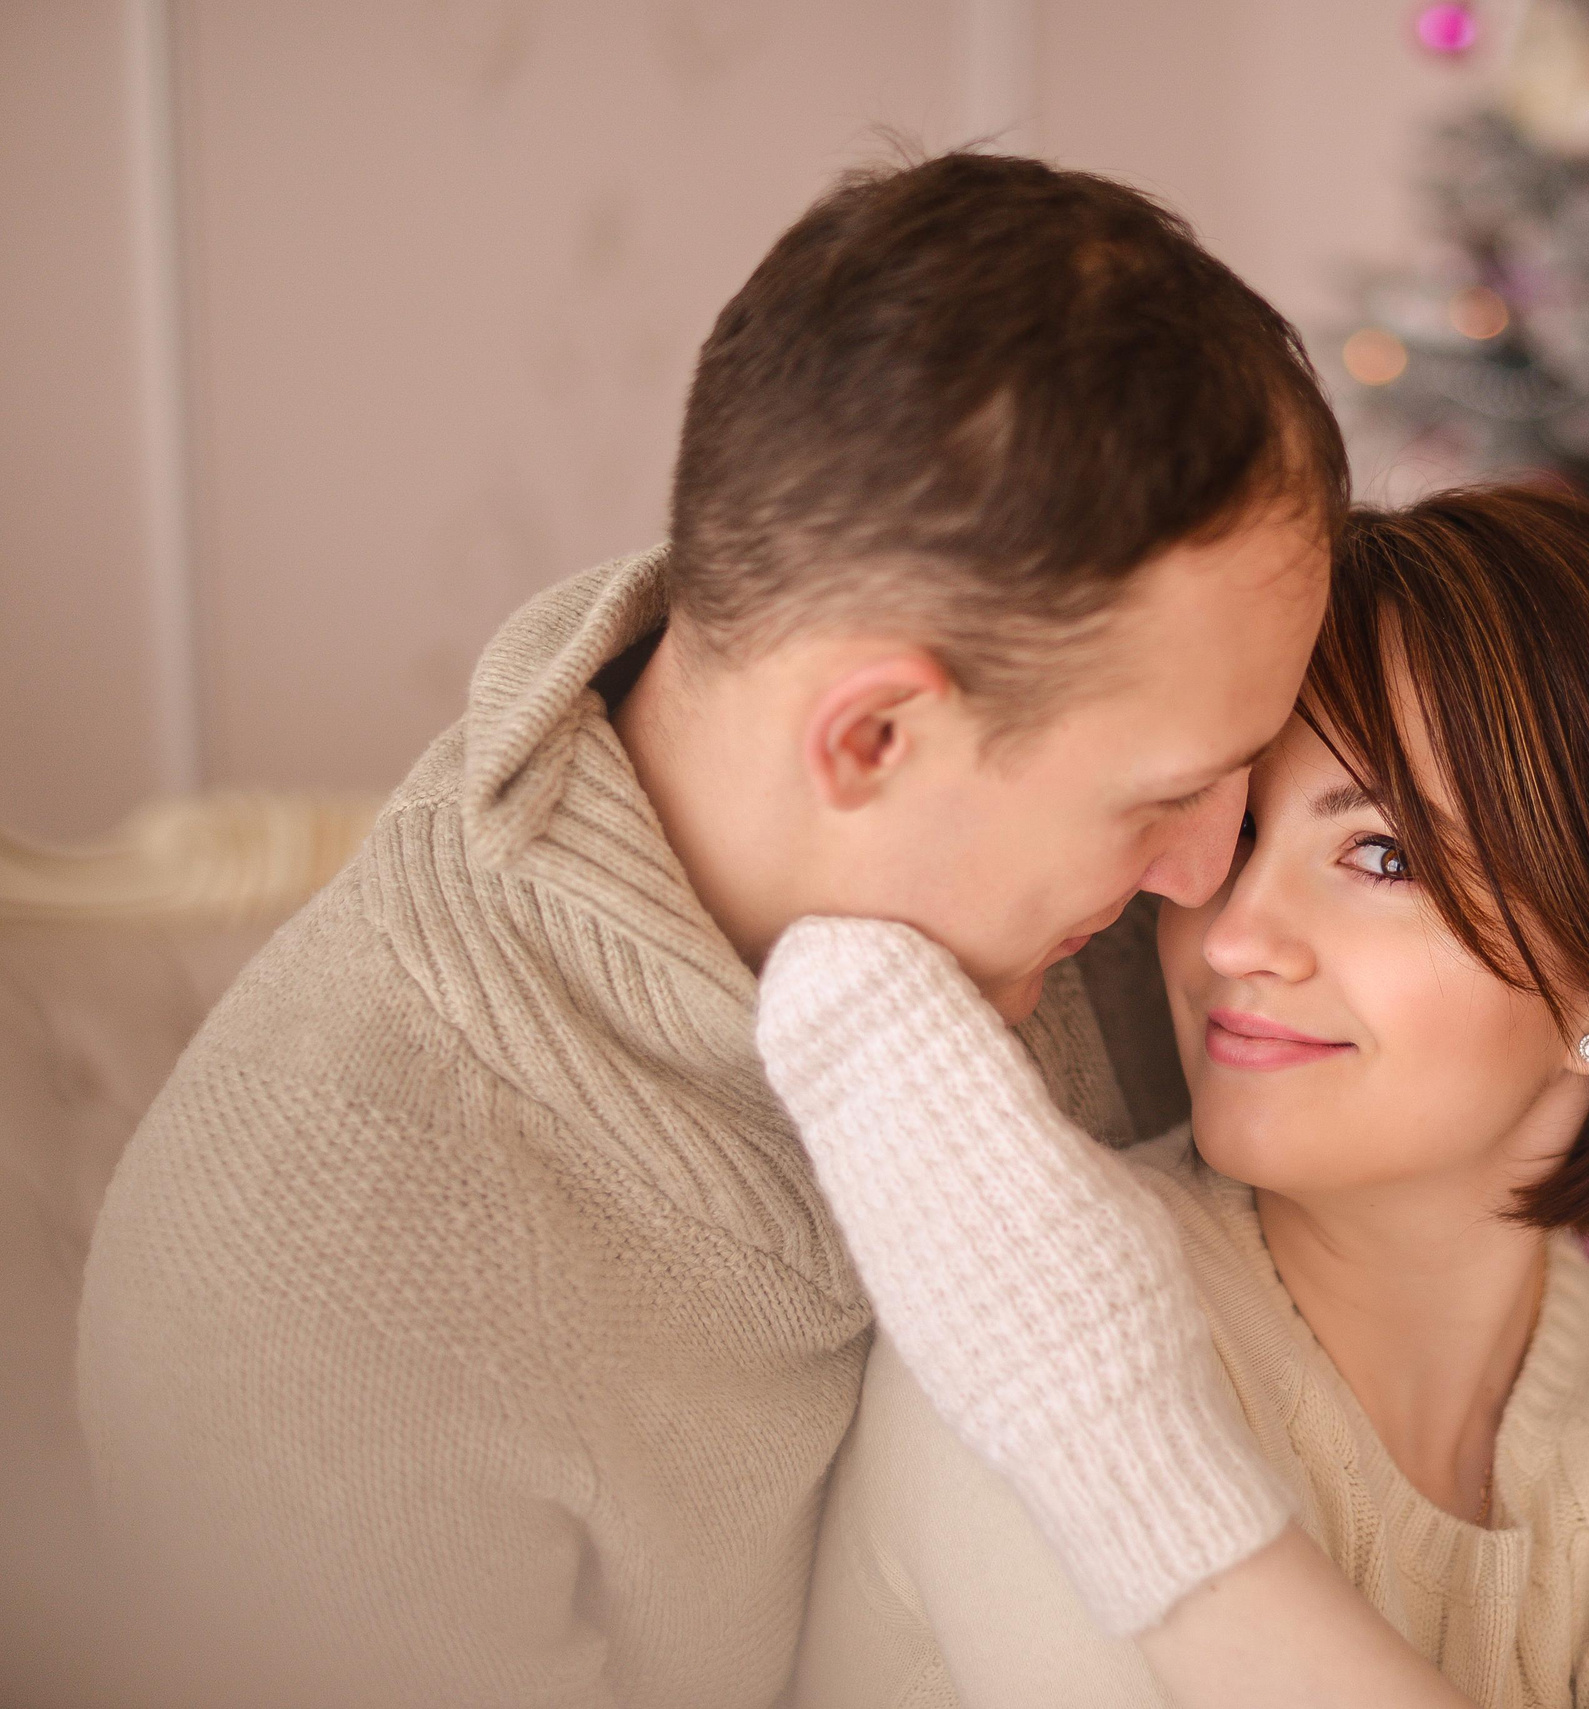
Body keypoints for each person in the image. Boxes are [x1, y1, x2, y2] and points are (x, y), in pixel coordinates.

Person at [74, 152, 1346, 1708]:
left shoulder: (1099, 916)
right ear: (871, 738)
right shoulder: (311, 1296)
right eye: (1165, 797)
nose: (1212, 878)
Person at [762, 487, 1589, 1708]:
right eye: (1235, 831)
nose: (1233, 934)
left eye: (1383, 854)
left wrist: (1121, 1457)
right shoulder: (1009, 1297)